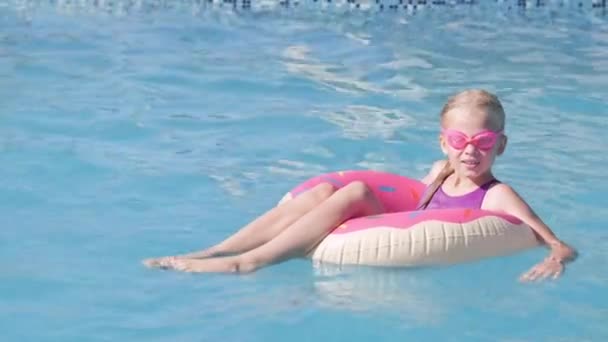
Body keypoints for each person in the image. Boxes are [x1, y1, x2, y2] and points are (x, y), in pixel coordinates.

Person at [143, 89, 576, 281]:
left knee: (356, 194)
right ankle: (220, 249)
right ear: (443, 142)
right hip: (402, 226)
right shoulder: (439, 171)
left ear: (500, 145)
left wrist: (554, 260)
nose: (470, 151)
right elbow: (410, 201)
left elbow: (556, 242)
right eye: (459, 141)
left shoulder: (497, 193)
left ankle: (250, 263)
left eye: (483, 142)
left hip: (425, 241)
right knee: (321, 194)